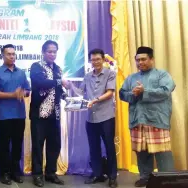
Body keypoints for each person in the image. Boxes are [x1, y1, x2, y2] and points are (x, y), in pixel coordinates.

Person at [119, 46, 175, 187]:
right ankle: (145, 177)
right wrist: (133, 94)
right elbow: (122, 93)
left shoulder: (162, 75)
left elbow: (165, 91)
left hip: (157, 120)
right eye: (138, 60)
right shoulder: (132, 78)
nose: (140, 63)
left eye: (143, 59)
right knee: (142, 152)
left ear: (152, 59)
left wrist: (144, 91)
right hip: (137, 120)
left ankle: (166, 179)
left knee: (162, 152)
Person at [69, 49, 118, 187]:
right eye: (93, 60)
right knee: (93, 147)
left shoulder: (110, 74)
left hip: (106, 117)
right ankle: (97, 174)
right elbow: (80, 92)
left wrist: (95, 100)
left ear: (103, 60)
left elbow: (109, 93)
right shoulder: (87, 76)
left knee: (109, 147)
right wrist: (71, 86)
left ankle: (113, 176)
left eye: (98, 59)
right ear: (90, 61)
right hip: (91, 118)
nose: (95, 62)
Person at [0, 44, 30, 185]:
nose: (12, 56)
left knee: (18, 144)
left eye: (13, 54)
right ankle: (4, 172)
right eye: (8, 54)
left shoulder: (21, 72)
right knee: (4, 145)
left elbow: (27, 90)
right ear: (2, 55)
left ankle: (15, 171)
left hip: (19, 114)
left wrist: (23, 93)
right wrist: (13, 94)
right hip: (3, 115)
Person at [29, 40, 68, 187]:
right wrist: (59, 82)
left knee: (55, 145)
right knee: (38, 146)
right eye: (49, 51)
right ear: (43, 52)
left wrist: (66, 97)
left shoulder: (58, 69)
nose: (52, 54)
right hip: (39, 114)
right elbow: (40, 83)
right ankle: (37, 175)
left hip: (55, 114)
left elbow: (58, 89)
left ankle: (51, 173)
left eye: (54, 51)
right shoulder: (36, 67)